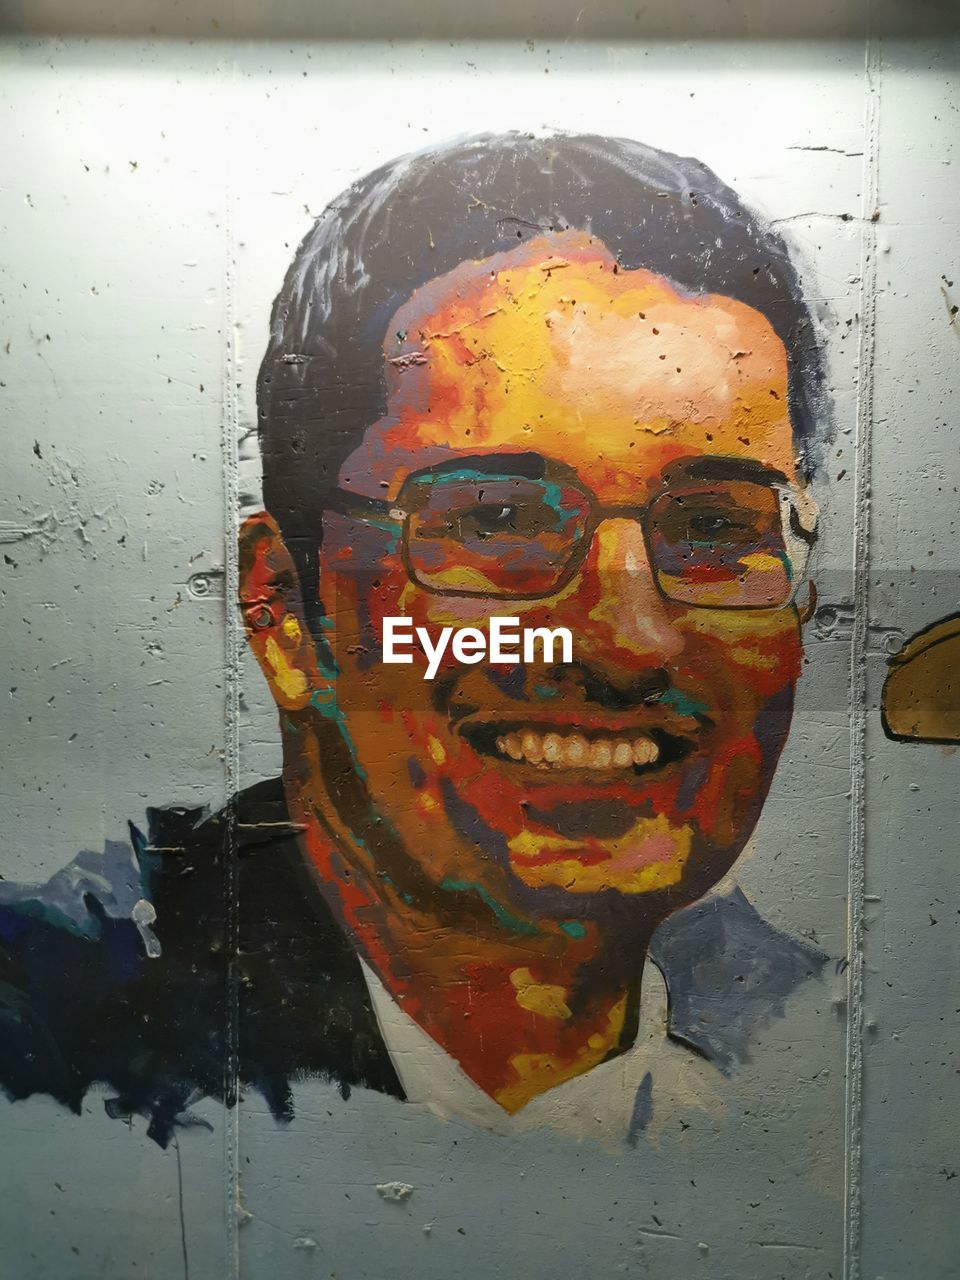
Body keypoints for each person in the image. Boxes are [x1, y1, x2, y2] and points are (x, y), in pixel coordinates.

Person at [0, 132, 829, 1147]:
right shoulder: (54, 1042)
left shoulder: (821, 1043)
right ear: (284, 614)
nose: (630, 640)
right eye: (496, 521)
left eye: (713, 526)